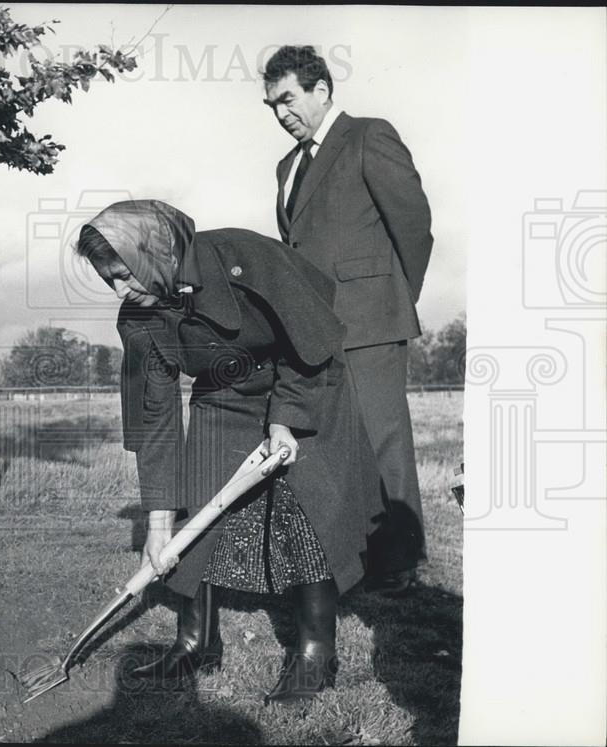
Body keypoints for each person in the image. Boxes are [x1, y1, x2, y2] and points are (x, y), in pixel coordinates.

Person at [75, 199, 379, 703]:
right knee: (201, 504)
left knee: (307, 510)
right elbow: (155, 419)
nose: (119, 290)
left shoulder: (242, 256)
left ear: (154, 252)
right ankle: (195, 644)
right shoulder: (140, 318)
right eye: (110, 280)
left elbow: (309, 339)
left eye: (124, 275)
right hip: (224, 391)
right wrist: (157, 525)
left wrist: (284, 420)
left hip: (303, 374)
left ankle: (314, 652)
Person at [262, 45, 434, 594]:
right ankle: (356, 559)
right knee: (340, 447)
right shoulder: (287, 166)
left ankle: (399, 563)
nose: (280, 112)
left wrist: (390, 300)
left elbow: (414, 228)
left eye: (287, 99)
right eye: (271, 105)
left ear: (321, 90)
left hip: (372, 324)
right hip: (317, 330)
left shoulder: (369, 136)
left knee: (384, 441)